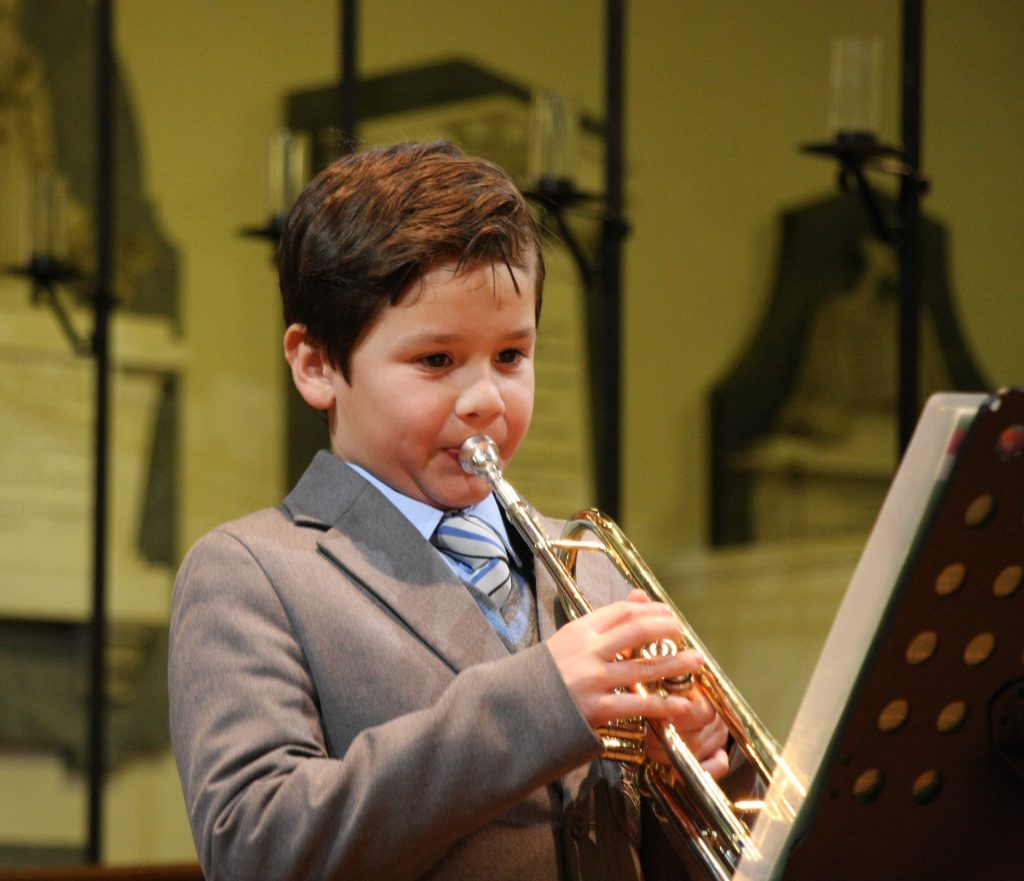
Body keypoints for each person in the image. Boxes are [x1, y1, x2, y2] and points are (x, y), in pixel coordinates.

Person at [169, 141, 735, 881]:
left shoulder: (588, 568)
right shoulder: (255, 573)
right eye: (436, 360)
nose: (485, 399)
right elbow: (256, 846)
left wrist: (691, 770)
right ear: (315, 365)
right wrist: (541, 702)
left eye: (511, 356)